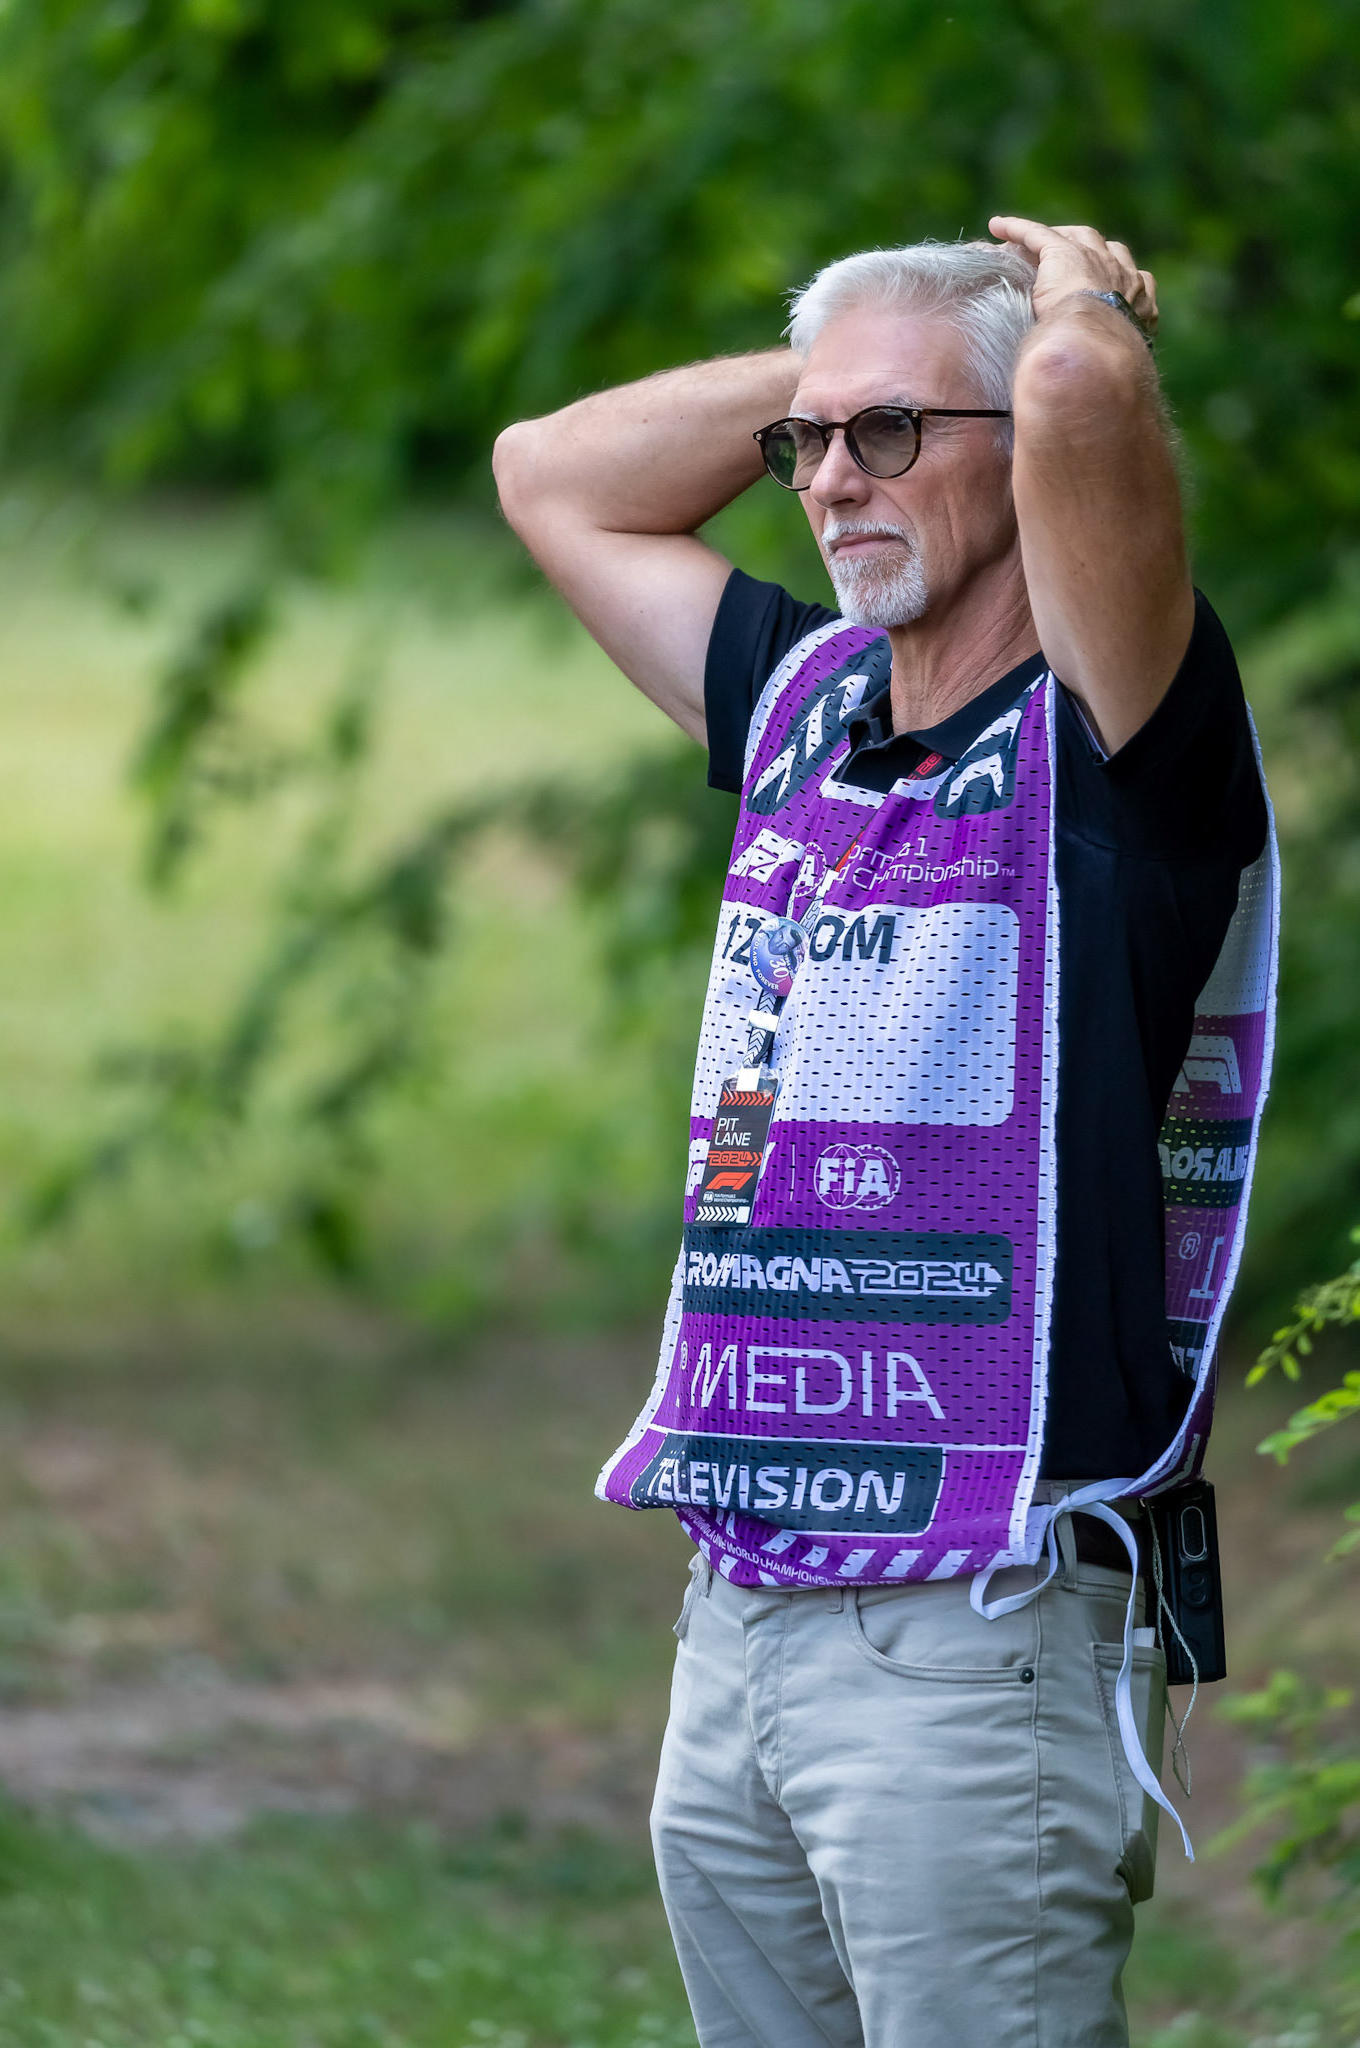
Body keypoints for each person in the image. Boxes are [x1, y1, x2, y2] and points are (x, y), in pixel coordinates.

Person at [493, 219, 1273, 2048]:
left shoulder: (1122, 741)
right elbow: (554, 479)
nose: (829, 483)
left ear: (1025, 440)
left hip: (975, 1631)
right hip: (742, 1611)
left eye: (891, 441)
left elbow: (1075, 393)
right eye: (808, 449)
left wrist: (1064, 304)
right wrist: (862, 376)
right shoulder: (803, 710)